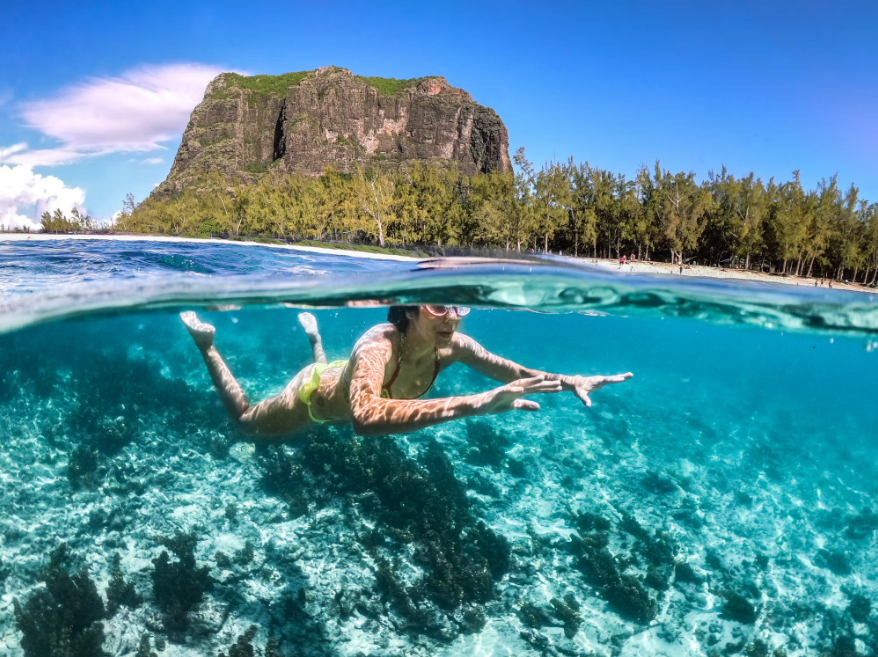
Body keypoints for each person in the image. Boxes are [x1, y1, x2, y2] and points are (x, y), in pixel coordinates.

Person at [180, 306, 633, 438]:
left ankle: (315, 338)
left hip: (345, 376)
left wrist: (570, 380)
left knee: (333, 369)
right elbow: (364, 417)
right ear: (411, 310)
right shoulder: (378, 343)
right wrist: (473, 405)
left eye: (458, 306)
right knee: (245, 422)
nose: (452, 317)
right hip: (312, 398)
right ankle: (207, 345)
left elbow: (512, 370)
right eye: (438, 306)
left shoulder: (453, 346)